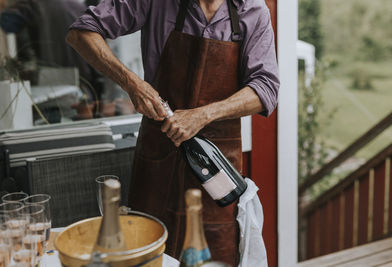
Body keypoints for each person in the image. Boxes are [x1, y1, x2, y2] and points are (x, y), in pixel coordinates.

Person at [66, 0, 279, 265]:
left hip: (215, 168)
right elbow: (81, 33)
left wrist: (203, 114)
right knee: (148, 256)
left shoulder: (252, 10)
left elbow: (266, 89)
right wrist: (132, 84)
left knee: (215, 258)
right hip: (158, 158)